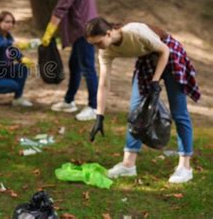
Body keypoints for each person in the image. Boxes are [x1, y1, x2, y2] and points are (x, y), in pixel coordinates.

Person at [86, 17, 200, 183]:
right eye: (93, 45)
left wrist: (155, 80)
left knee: (178, 111)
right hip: (147, 59)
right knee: (136, 111)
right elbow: (103, 83)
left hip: (169, 53)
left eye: (98, 42)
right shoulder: (105, 50)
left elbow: (164, 51)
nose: (97, 47)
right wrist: (99, 115)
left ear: (109, 33)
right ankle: (128, 165)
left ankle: (185, 167)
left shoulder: (135, 32)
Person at [41, 0, 99, 121]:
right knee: (75, 65)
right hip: (80, 29)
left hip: (85, 31)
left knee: (88, 68)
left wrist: (48, 33)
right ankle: (69, 101)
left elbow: (60, 10)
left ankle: (94, 107)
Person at [0, 11, 35, 107]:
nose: (9, 24)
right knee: (14, 85)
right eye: (6, 22)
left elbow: (15, 52)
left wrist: (23, 59)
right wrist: (17, 44)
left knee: (23, 67)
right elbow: (1, 45)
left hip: (4, 72)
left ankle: (18, 98)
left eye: (11, 22)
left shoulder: (9, 38)